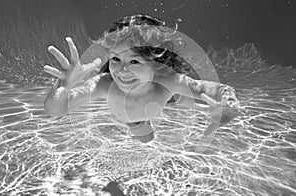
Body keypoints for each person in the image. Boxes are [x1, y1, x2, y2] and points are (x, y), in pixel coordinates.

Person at [44, 14, 240, 143]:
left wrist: (227, 105)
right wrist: (63, 85)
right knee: (145, 139)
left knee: (173, 105)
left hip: (153, 102)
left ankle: (170, 103)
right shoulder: (104, 84)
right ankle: (138, 124)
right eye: (116, 59)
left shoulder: (168, 81)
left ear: (155, 64)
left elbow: (218, 89)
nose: (122, 69)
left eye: (135, 62)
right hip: (131, 119)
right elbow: (56, 110)